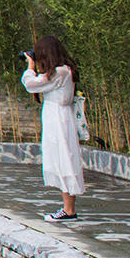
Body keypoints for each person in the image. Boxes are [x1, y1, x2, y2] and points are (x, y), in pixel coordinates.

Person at [22, 35, 84, 222]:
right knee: (59, 159)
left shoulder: (60, 72)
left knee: (64, 159)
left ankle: (69, 210)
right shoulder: (62, 71)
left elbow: (30, 84)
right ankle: (67, 208)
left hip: (59, 119)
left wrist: (30, 67)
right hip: (56, 117)